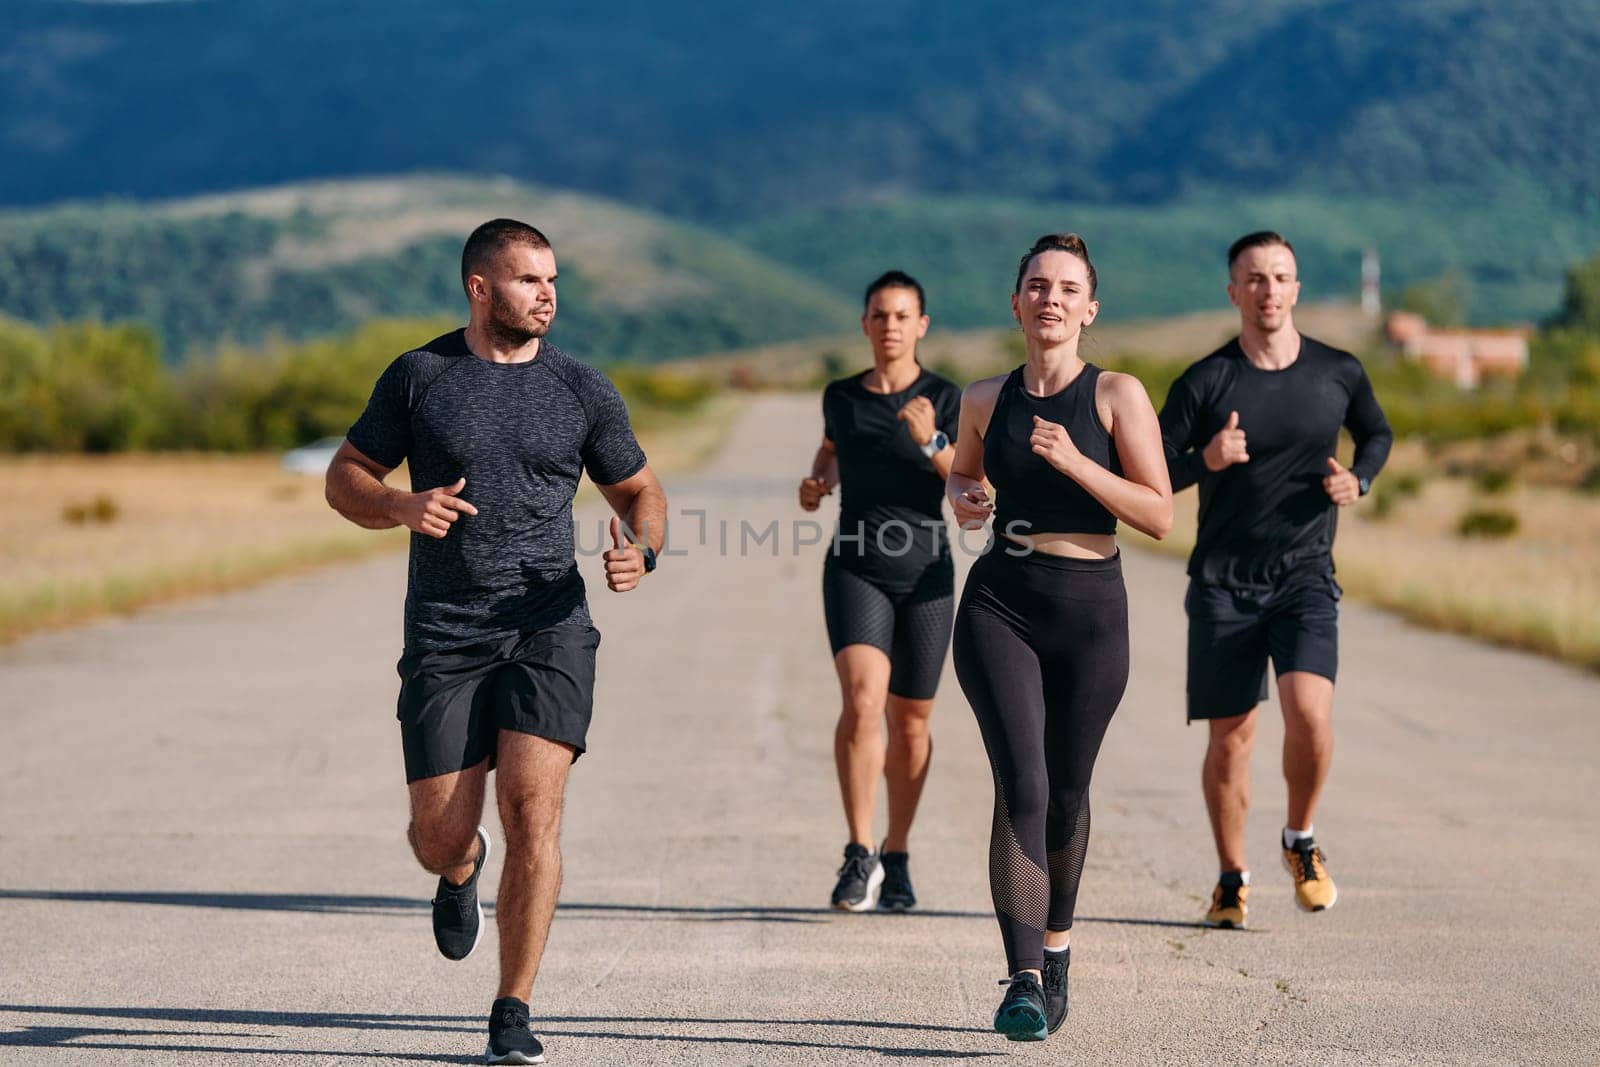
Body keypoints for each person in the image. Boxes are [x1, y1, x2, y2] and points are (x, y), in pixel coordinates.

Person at [325, 218, 667, 1065]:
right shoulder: (421, 376)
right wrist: (402, 506)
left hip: (549, 624)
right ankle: (459, 869)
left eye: (553, 279)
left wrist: (643, 546)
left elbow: (640, 487)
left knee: (532, 808)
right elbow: (344, 477)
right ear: (480, 287)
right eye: (528, 279)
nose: (547, 293)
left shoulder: (582, 388)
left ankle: (512, 1007)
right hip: (446, 631)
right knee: (438, 832)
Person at [947, 234, 1172, 1040]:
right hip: (1001, 602)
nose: (1051, 299)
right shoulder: (983, 396)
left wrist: (1079, 464)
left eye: (1067, 288)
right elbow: (965, 475)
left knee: (1070, 795)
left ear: (1090, 308)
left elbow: (1157, 511)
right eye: (1036, 286)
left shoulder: (1117, 394)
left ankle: (1059, 945)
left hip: (1092, 610)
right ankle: (1025, 979)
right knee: (1026, 788)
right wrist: (966, 495)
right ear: (1016, 302)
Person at [1157, 230, 1392, 930]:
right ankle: (1232, 879)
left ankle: (1301, 838)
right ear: (1234, 291)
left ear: (1296, 288)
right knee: (1231, 739)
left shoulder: (1338, 371)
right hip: (1225, 582)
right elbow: (1153, 472)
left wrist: (1362, 478)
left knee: (1311, 718)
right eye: (1253, 278)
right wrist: (1208, 457)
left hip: (1306, 576)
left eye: (1280, 276)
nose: (1267, 289)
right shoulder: (1205, 381)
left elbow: (1377, 434)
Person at [798, 270, 961, 912]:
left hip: (926, 575)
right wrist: (816, 481)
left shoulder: (946, 397)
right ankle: (858, 851)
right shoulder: (841, 395)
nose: (890, 326)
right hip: (855, 566)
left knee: (912, 721)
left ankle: (897, 854)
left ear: (921, 326)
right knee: (864, 702)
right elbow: (831, 450)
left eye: (902, 316)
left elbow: (973, 485)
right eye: (879, 315)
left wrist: (932, 441)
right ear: (864, 325)